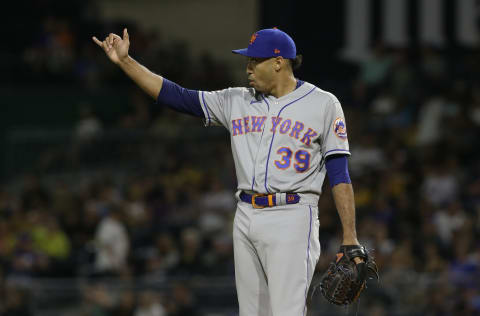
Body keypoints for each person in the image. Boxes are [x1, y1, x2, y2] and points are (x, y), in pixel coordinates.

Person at [93, 27, 365, 316]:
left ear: (278, 62)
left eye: (254, 61)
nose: (247, 68)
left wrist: (350, 235)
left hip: (293, 215)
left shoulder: (323, 103)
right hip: (245, 214)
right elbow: (175, 96)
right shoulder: (236, 99)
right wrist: (125, 61)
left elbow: (339, 173)